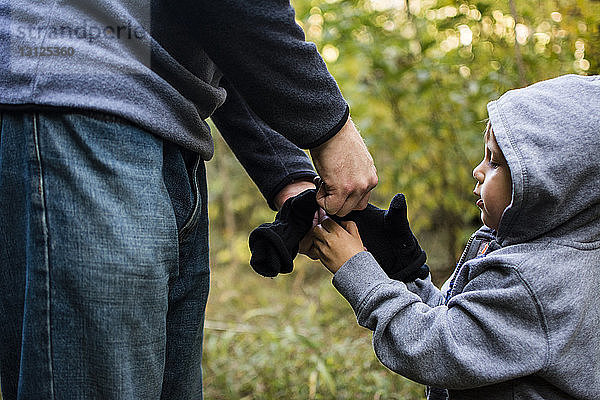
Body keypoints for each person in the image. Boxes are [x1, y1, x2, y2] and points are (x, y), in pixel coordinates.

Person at [0, 1, 377, 399]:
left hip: (170, 135)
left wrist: (289, 177)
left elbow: (220, 29)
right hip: (78, 96)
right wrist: (331, 129)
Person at [310, 74, 600, 399]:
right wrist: (405, 273)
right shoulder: (519, 246)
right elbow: (458, 324)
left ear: (550, 185)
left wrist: (359, 273)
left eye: (496, 162)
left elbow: (436, 348)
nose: (478, 170)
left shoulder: (538, 282)